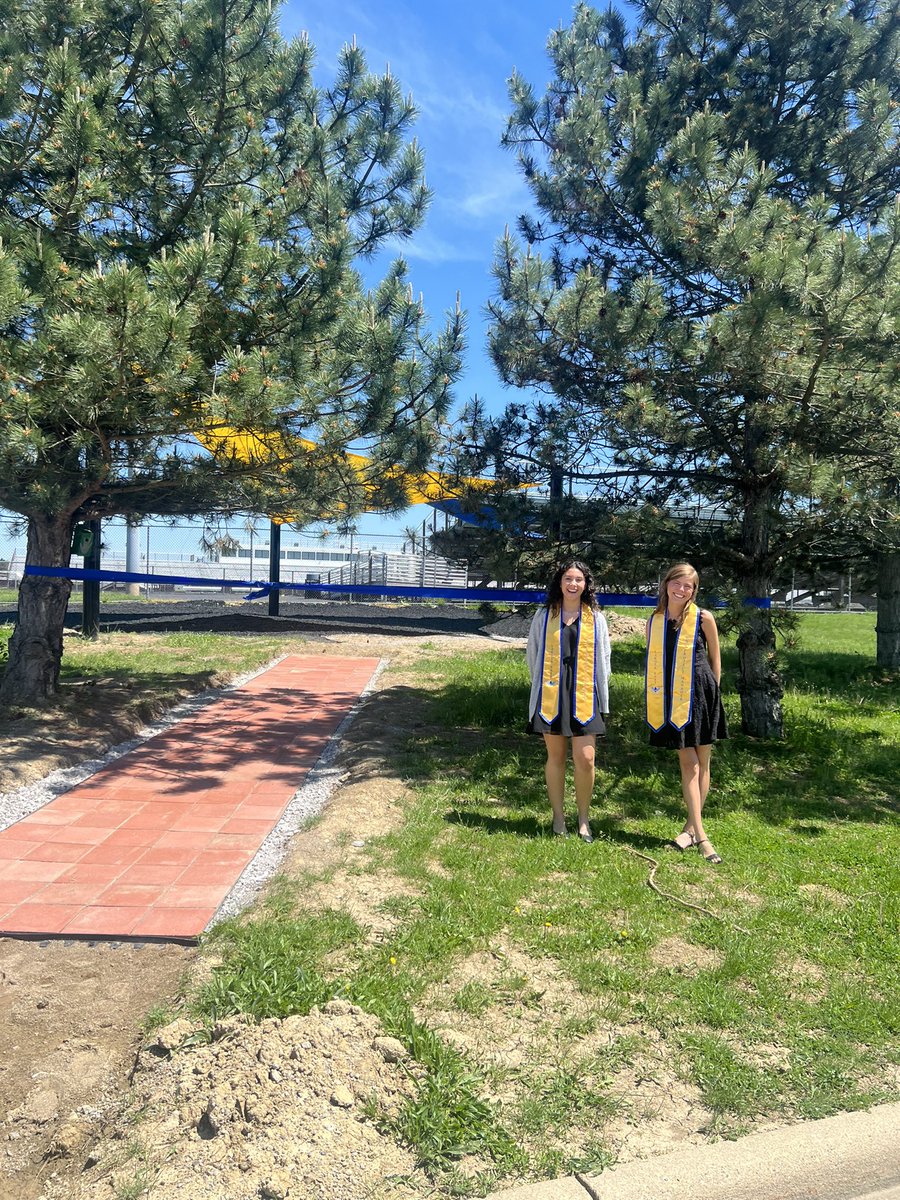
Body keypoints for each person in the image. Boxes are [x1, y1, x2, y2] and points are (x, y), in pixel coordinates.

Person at [645, 562, 727, 864]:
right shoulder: (654, 620)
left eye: (688, 586)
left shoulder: (704, 618)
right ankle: (702, 836)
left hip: (702, 693)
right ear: (666, 584)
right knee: (689, 763)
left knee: (703, 763)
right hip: (672, 698)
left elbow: (716, 659)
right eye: (676, 583)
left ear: (694, 591)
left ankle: (691, 829)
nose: (681, 590)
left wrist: (713, 696)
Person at [526, 560, 611, 842]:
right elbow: (533, 654)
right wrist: (540, 686)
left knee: (586, 758)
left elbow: (605, 658)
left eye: (579, 580)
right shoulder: (544, 615)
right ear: (560, 582)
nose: (573, 584)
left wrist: (602, 693)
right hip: (552, 692)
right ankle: (558, 817)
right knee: (556, 757)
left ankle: (584, 819)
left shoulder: (596, 618)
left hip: (586, 692)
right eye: (568, 579)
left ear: (586, 585)